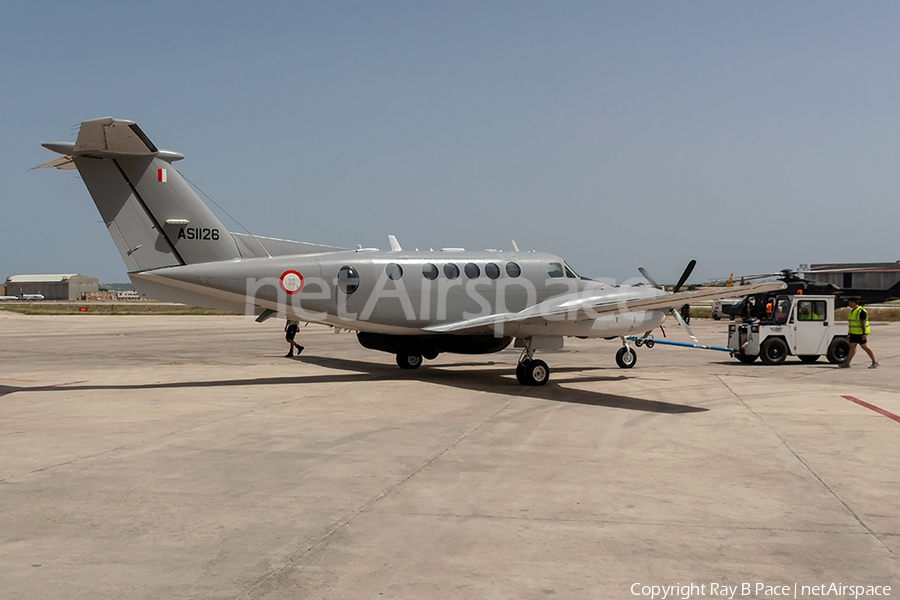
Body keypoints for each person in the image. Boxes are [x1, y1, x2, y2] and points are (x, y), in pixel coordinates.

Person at [841, 298, 879, 368]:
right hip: (853, 333)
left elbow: (863, 323)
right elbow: (852, 323)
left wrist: (864, 334)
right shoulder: (853, 311)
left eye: (850, 302)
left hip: (860, 333)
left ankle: (875, 361)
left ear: (853, 302)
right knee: (852, 347)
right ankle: (847, 363)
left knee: (864, 346)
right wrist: (849, 333)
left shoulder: (861, 311)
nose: (849, 304)